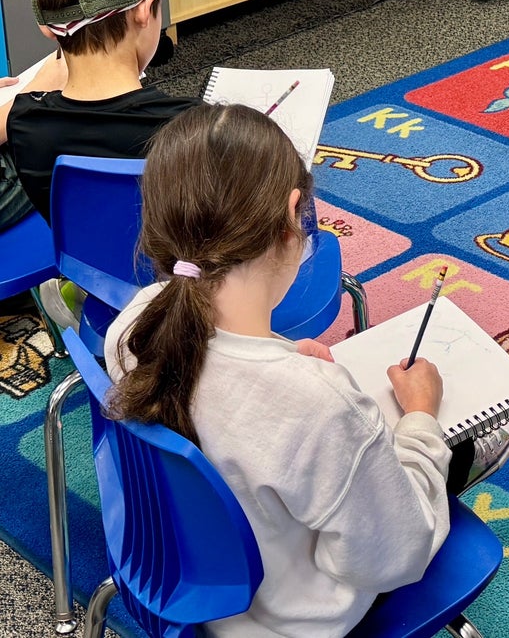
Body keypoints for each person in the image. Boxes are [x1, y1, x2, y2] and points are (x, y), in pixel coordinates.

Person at [106, 103, 452, 638]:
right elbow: (394, 556)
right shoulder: (317, 406)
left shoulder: (133, 325)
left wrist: (289, 362)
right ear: (296, 214)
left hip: (183, 589)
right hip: (292, 621)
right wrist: (421, 424)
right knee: (465, 451)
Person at [1, 0, 200, 232]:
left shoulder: (24, 124)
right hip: (184, 281)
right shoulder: (200, 127)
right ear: (147, 10)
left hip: (94, 279)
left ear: (47, 28)